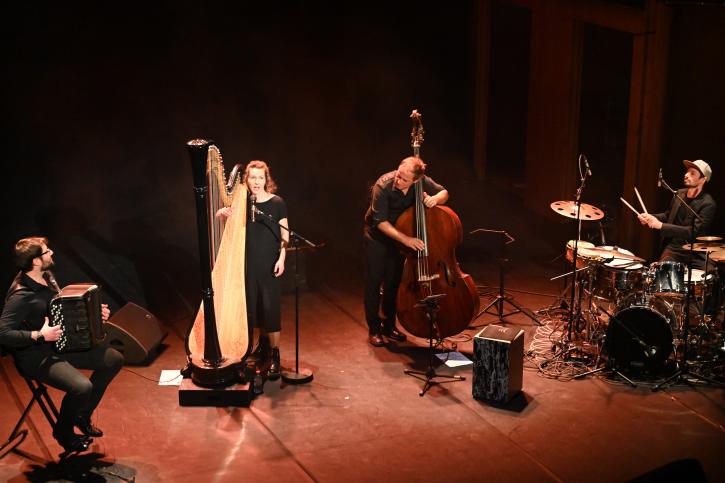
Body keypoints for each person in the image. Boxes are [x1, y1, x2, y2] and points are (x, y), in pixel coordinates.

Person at [0, 237, 124, 453]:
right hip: (36, 356)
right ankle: (63, 432)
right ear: (36, 261)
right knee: (82, 387)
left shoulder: (46, 278)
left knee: (113, 359)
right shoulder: (21, 295)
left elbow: (61, 312)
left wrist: (95, 315)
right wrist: (39, 335)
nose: (51, 254)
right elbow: (3, 333)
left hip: (60, 344)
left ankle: (81, 415)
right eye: (47, 252)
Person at [363, 156, 449, 347]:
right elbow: (381, 223)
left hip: (400, 238)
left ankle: (389, 326)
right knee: (374, 282)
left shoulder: (421, 181)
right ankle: (374, 329)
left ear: (416, 180)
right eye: (398, 175)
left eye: (404, 179)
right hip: (377, 237)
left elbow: (444, 192)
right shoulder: (383, 186)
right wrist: (407, 240)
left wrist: (435, 199)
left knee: (393, 283)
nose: (398, 180)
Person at [217, 160, 288, 380]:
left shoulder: (277, 202)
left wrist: (282, 258)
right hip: (246, 264)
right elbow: (226, 223)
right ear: (246, 180)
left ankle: (275, 355)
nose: (256, 182)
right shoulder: (242, 202)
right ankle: (262, 347)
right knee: (253, 308)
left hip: (269, 263)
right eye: (252, 178)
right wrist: (222, 214)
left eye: (260, 178)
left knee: (271, 308)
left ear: (266, 179)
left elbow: (285, 234)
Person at [638, 159, 716, 270]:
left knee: (709, 275)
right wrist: (651, 217)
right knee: (664, 271)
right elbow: (668, 215)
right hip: (674, 248)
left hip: (696, 251)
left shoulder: (708, 203)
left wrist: (661, 226)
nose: (686, 175)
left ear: (703, 179)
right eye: (687, 171)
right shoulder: (679, 193)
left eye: (692, 173)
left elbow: (692, 231)